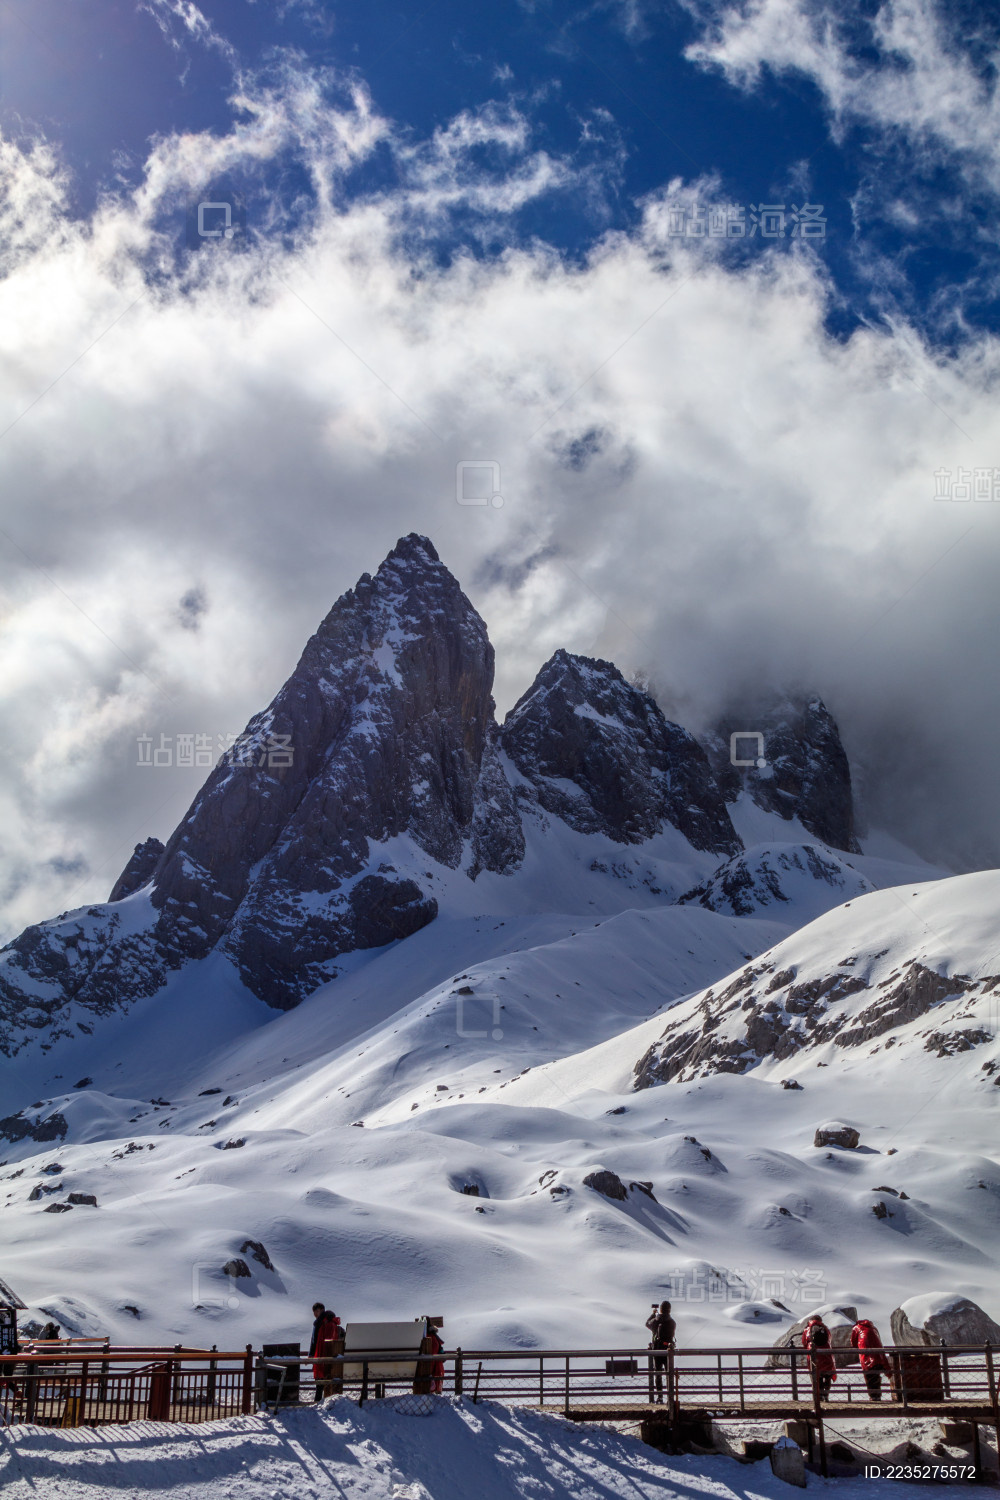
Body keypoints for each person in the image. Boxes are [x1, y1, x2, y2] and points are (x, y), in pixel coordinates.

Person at [850, 1317, 891, 1401]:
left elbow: (853, 1342)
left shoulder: (856, 1328)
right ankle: (877, 1395)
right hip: (878, 1355)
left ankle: (873, 1396)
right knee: (876, 1375)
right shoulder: (873, 1328)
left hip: (866, 1355)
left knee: (869, 1376)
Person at [308, 1302, 341, 1402]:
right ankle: (319, 1401)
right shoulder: (320, 1323)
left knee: (322, 1380)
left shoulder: (326, 1323)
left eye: (317, 1311)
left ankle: (319, 1401)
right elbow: (314, 1341)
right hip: (320, 1356)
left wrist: (314, 1355)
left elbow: (325, 1342)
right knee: (320, 1380)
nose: (315, 1314)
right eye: (314, 1312)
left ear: (321, 1310)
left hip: (323, 1356)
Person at [645, 1301, 676, 1404]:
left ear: (661, 1309)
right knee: (669, 1374)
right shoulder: (672, 1322)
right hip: (668, 1351)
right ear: (669, 1309)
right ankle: (670, 1397)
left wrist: (653, 1314)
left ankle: (660, 1397)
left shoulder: (656, 1321)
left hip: (657, 1350)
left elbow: (647, 1324)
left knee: (658, 1373)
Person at [802, 1314, 836, 1401]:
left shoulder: (808, 1329)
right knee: (827, 1375)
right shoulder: (825, 1328)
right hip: (826, 1354)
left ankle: (819, 1396)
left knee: (817, 1376)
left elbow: (804, 1342)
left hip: (814, 1355)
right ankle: (826, 1395)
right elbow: (829, 1339)